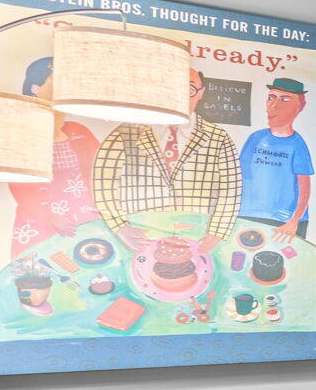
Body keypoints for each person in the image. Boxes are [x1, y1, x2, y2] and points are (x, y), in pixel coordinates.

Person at [90, 67, 242, 253]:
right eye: (173, 88)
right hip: (141, 231)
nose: (180, 97)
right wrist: (120, 227)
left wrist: (216, 233)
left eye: (189, 89)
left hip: (197, 231)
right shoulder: (125, 132)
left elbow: (231, 190)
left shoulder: (218, 138)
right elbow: (103, 184)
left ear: (200, 93)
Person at [6, 56, 99, 249]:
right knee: (40, 271)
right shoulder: (23, 132)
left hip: (84, 214)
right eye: (55, 83)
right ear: (35, 88)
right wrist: (48, 215)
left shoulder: (78, 131)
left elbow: (101, 171)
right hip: (41, 218)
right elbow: (18, 182)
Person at [237, 77, 315, 242]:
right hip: (245, 216)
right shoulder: (255, 138)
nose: (274, 105)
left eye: (285, 100)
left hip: (283, 223)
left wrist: (294, 221)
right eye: (271, 98)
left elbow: (305, 188)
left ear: (300, 106)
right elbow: (239, 176)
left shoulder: (297, 144)